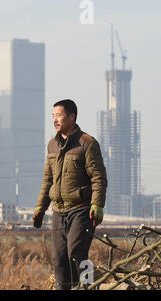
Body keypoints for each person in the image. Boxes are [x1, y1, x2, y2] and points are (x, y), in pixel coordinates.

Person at [34, 99, 107, 290]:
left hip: (81, 210)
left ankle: (88, 287)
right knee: (58, 258)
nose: (55, 120)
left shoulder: (87, 143)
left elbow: (98, 177)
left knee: (76, 253)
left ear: (72, 116)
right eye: (53, 116)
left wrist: (97, 205)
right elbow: (47, 180)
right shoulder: (52, 145)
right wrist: (40, 207)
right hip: (58, 211)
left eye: (59, 115)